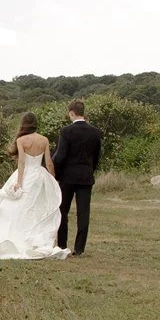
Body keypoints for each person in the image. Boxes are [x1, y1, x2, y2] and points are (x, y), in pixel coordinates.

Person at [0, 112, 68, 260]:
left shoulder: (21, 140)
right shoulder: (44, 140)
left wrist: (19, 182)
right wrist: (51, 178)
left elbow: (21, 162)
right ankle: (34, 236)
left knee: (17, 207)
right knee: (38, 206)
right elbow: (49, 162)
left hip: (26, 174)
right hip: (39, 175)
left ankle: (17, 234)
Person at [51, 99, 102, 257]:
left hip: (67, 177)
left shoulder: (66, 131)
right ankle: (79, 249)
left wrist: (56, 173)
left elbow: (60, 156)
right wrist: (89, 170)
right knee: (83, 212)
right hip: (85, 176)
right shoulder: (95, 132)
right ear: (83, 112)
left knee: (62, 211)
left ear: (71, 113)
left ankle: (62, 245)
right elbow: (97, 156)